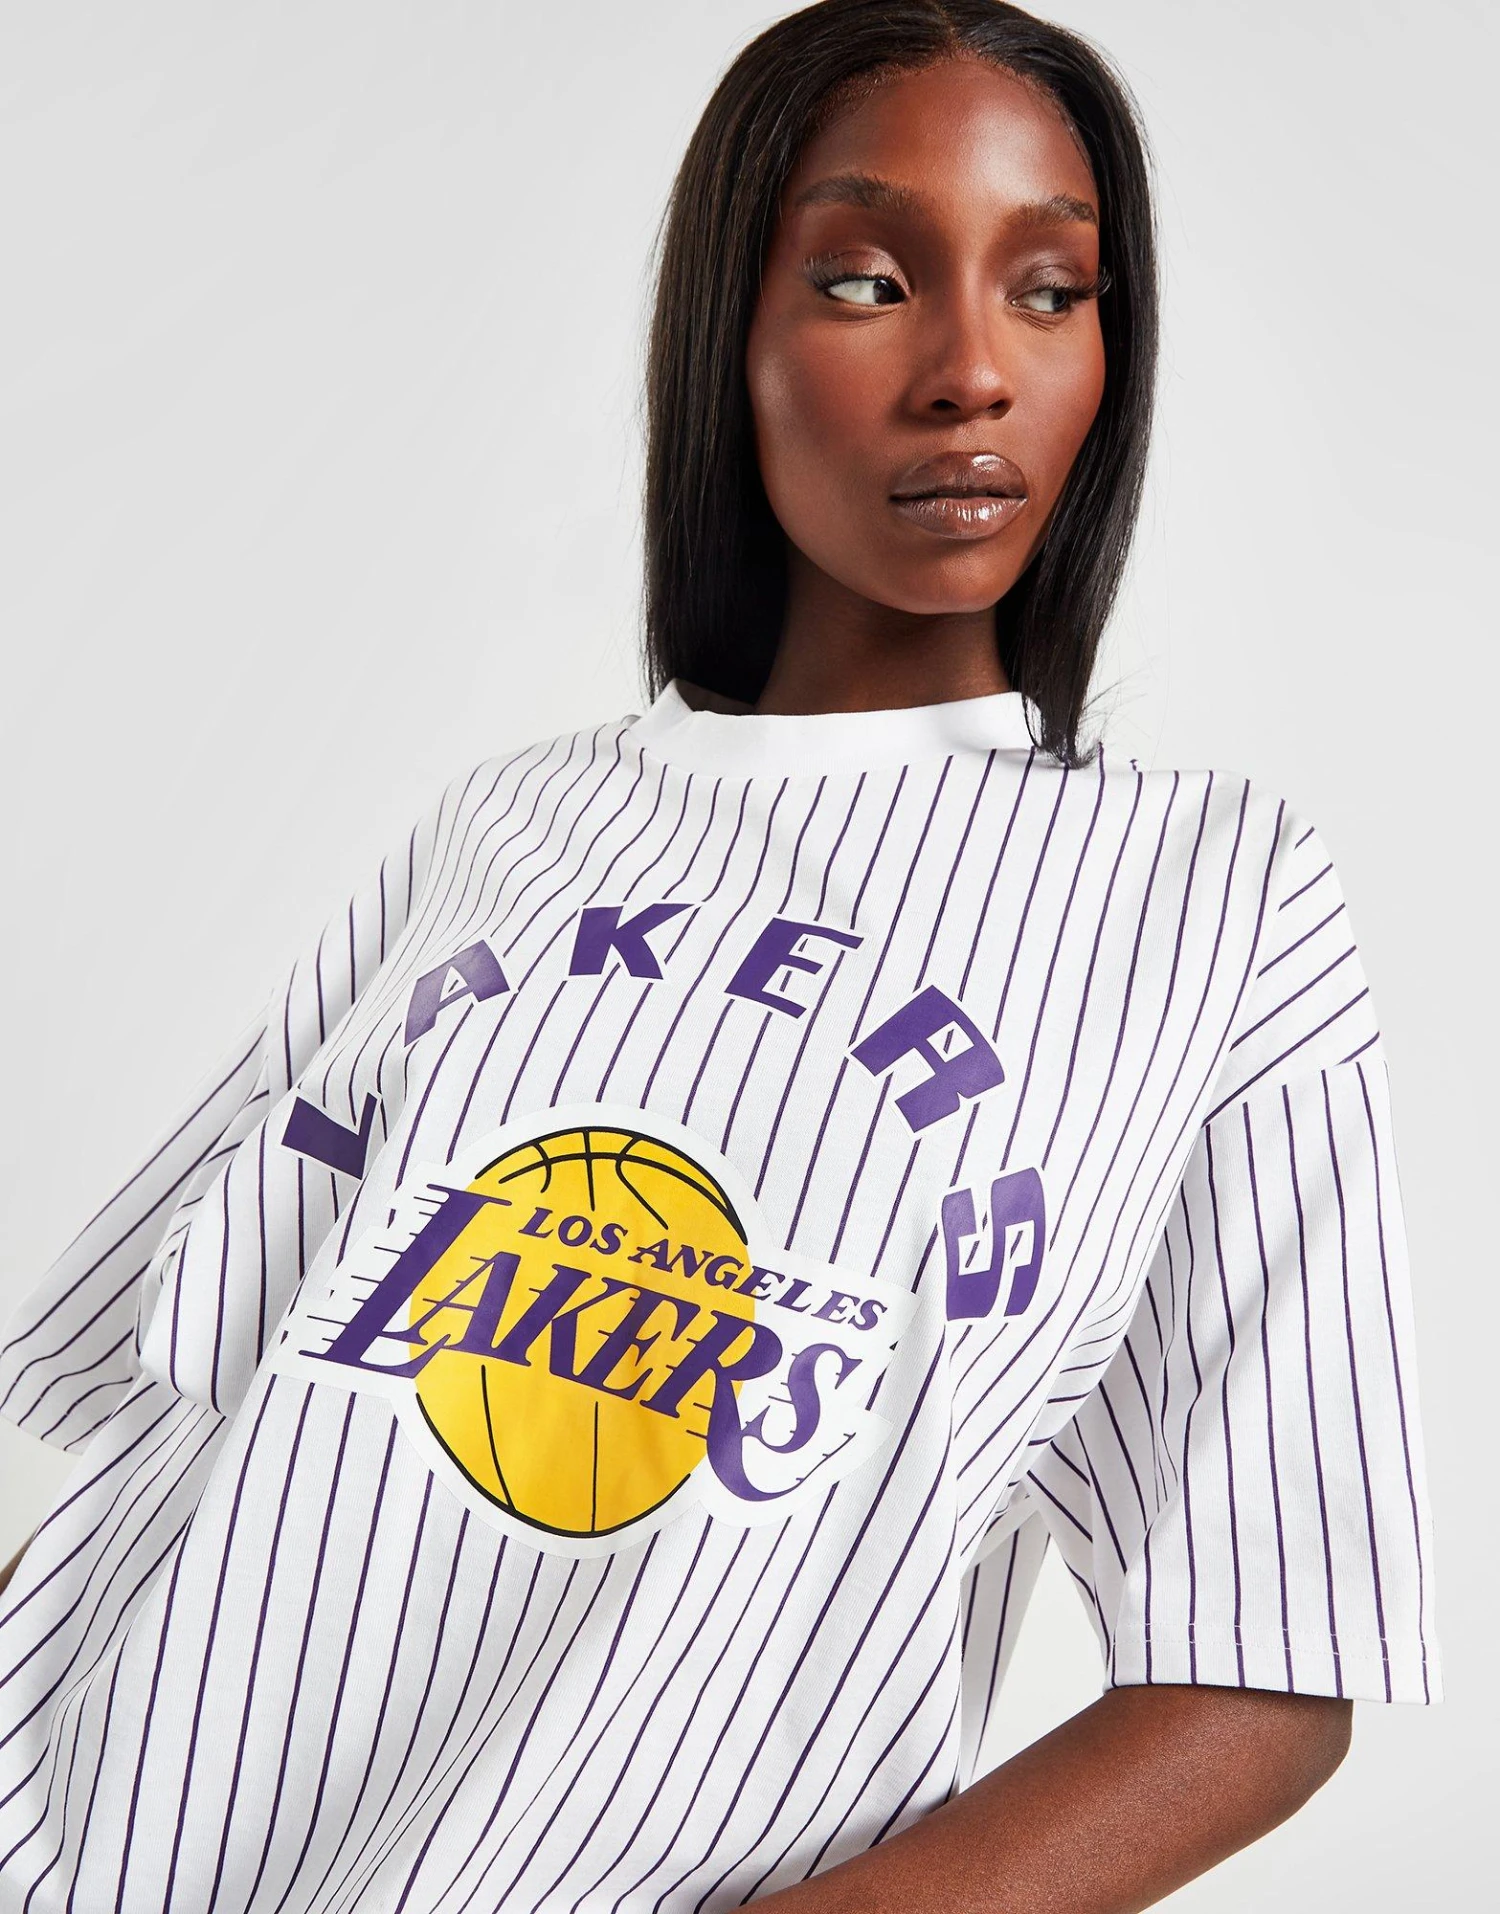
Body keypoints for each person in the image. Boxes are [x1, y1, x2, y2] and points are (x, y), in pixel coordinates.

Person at [0, 1, 1442, 1908]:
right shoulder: (510, 824)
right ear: (730, 341)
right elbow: (181, 1391)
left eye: (1050, 291)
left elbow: (1268, 1667)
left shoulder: (1214, 898)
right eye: (865, 282)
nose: (971, 372)